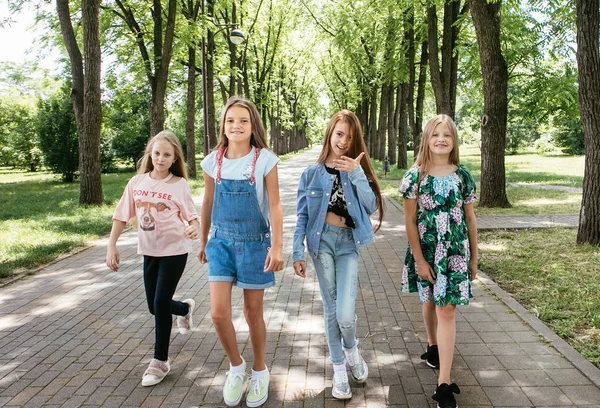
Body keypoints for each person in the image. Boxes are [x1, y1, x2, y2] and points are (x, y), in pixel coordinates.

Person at [197, 97, 284, 407]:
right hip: (220, 242)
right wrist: (203, 239)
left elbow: (274, 204)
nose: (236, 125)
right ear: (223, 125)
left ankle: (260, 369)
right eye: (230, 120)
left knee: (252, 313)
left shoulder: (265, 160)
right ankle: (237, 366)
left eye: (243, 121)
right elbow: (207, 202)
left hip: (254, 243)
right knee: (218, 314)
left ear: (253, 126)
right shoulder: (212, 161)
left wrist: (277, 245)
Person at [292, 110, 384, 400]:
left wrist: (355, 172)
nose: (343, 141)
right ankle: (340, 371)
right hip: (321, 245)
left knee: (345, 313)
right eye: (339, 134)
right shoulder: (311, 173)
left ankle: (352, 348)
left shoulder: (356, 170)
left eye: (350, 136)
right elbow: (302, 216)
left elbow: (370, 206)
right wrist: (297, 251)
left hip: (347, 244)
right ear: (330, 133)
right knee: (331, 309)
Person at [106, 130, 199, 387]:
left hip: (175, 250)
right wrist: (111, 246)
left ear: (173, 158)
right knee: (154, 306)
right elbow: (121, 216)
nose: (160, 158)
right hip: (149, 252)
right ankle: (184, 309)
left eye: (166, 154)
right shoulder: (136, 183)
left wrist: (194, 227)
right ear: (150, 154)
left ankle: (160, 361)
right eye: (156, 153)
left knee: (159, 303)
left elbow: (192, 216)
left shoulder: (179, 184)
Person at [399, 114, 478, 408]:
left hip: (455, 253)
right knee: (430, 299)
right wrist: (419, 260)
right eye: (435, 134)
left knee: (447, 309)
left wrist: (474, 257)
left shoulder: (463, 176)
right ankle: (432, 345)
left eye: (447, 134)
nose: (441, 139)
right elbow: (408, 221)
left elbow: (470, 217)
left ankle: (443, 383)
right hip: (427, 250)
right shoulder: (414, 176)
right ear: (426, 140)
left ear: (454, 140)